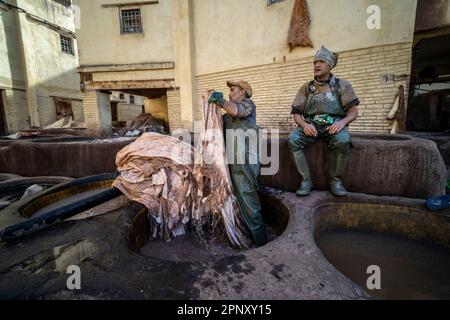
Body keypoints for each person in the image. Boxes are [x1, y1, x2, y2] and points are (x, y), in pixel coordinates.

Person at [288, 46, 359, 197]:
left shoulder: (342, 85)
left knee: (343, 140)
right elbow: (296, 114)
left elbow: (353, 111)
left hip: (334, 124)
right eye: (315, 62)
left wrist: (342, 123)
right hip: (312, 125)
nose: (317, 65)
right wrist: (304, 125)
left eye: (321, 62)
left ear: (330, 65)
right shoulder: (307, 88)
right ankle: (306, 180)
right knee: (293, 140)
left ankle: (335, 180)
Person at [208, 81, 267, 246]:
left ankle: (261, 242)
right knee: (235, 200)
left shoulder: (248, 105)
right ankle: (243, 235)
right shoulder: (227, 116)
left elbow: (236, 111)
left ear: (243, 92)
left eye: (233, 90)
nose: (229, 93)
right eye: (229, 91)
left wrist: (220, 102)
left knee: (248, 200)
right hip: (231, 162)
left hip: (245, 162)